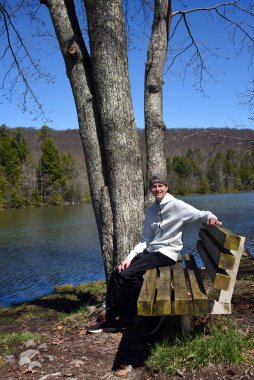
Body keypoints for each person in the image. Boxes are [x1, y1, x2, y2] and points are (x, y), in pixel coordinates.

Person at [87, 173, 221, 333]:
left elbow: (200, 214)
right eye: (154, 186)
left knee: (127, 275)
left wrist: (211, 217)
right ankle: (118, 317)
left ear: (166, 187)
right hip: (152, 252)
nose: (157, 189)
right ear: (150, 189)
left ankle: (147, 309)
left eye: (160, 186)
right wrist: (129, 258)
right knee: (118, 273)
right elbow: (145, 239)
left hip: (167, 254)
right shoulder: (151, 210)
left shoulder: (177, 206)